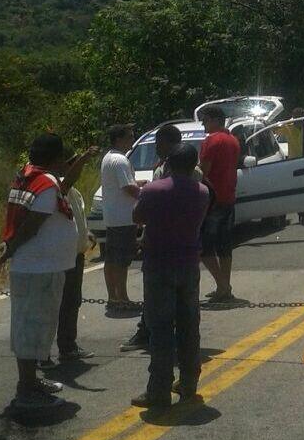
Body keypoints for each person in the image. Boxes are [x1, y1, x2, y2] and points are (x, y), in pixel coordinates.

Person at [0, 133, 77, 410]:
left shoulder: (26, 176)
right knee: (32, 328)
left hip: (37, 267)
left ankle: (31, 381)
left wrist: (10, 246)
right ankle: (26, 388)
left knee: (35, 327)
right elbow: (32, 224)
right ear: (57, 159)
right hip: (39, 268)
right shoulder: (45, 182)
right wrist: (11, 247)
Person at [130, 144, 211, 408]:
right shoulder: (202, 192)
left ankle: (159, 389)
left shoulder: (153, 190)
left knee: (161, 328)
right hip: (188, 264)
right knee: (189, 325)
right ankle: (189, 382)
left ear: (168, 163)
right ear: (193, 164)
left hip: (159, 264)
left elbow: (137, 216)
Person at [51, 148, 98, 363]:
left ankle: (68, 346)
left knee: (72, 302)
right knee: (58, 304)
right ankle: (45, 352)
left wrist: (86, 233)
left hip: (76, 255)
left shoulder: (74, 192)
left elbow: (76, 217)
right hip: (61, 257)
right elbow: (67, 180)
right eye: (71, 163)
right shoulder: (56, 186)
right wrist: (84, 158)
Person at [199, 106, 240, 300]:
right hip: (229, 197)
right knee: (225, 246)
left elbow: (203, 171)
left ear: (216, 120)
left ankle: (223, 286)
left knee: (205, 247)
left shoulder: (211, 141)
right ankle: (225, 285)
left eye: (205, 120)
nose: (203, 123)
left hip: (212, 200)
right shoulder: (233, 140)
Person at [101, 124, 142, 312]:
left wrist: (138, 183)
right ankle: (122, 298)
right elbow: (128, 188)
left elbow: (122, 184)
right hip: (124, 218)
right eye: (129, 137)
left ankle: (113, 297)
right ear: (119, 139)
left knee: (111, 258)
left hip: (113, 216)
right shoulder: (120, 160)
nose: (132, 140)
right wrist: (146, 194)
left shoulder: (108, 158)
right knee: (121, 261)